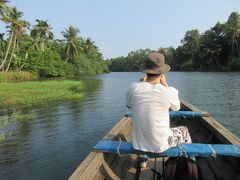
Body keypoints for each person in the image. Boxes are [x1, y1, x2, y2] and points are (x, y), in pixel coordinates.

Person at [126, 52, 191, 158]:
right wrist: (166, 85)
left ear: (146, 73)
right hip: (160, 145)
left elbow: (128, 105)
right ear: (162, 74)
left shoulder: (133, 87)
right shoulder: (170, 91)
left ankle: (143, 160)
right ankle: (187, 161)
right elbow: (176, 108)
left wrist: (141, 83)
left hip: (137, 144)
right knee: (185, 130)